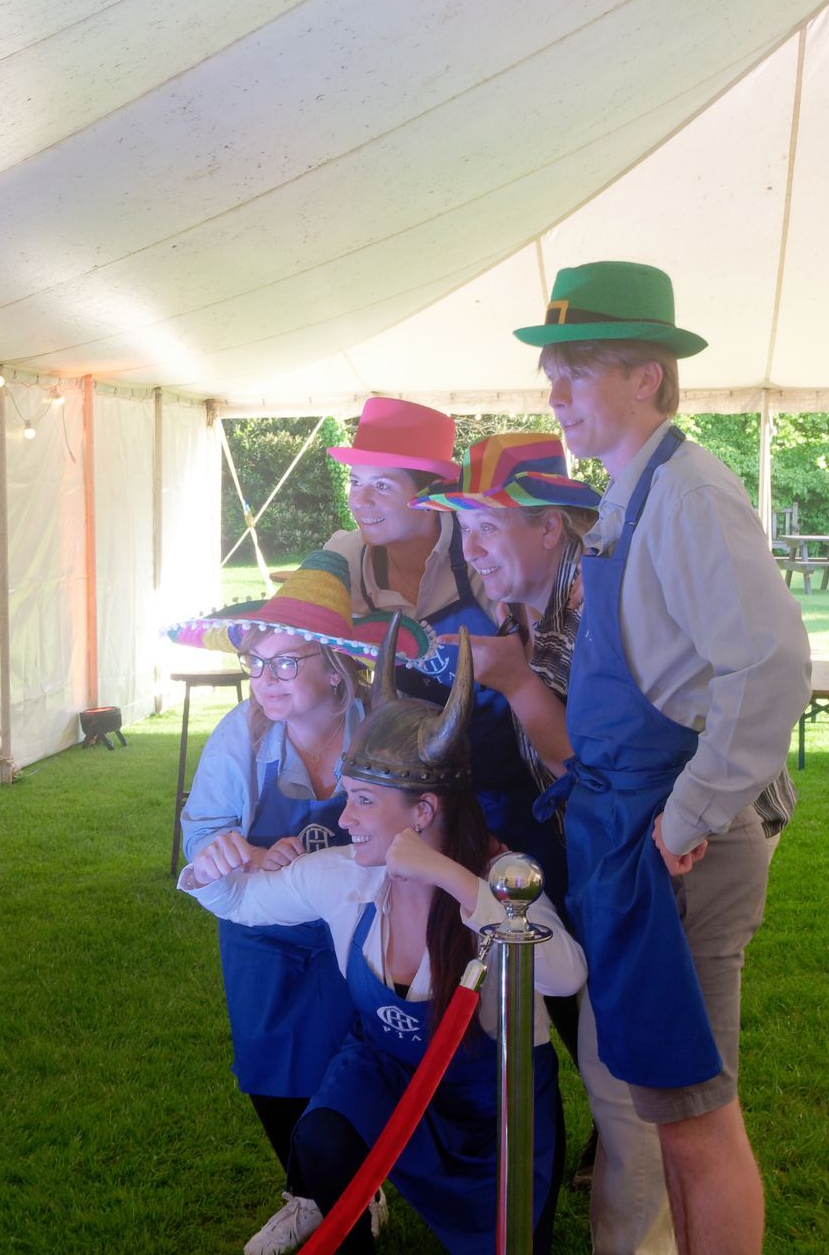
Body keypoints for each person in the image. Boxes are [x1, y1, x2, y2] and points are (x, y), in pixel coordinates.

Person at [514, 260, 812, 1255]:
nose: (555, 392)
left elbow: (766, 665)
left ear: (648, 374)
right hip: (632, 843)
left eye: (578, 370)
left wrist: (689, 817)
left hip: (679, 850)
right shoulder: (630, 492)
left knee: (697, 1116)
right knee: (668, 1112)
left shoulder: (688, 493)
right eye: (553, 372)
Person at [180, 625, 587, 1254]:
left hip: (492, 1109)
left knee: (513, 1238)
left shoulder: (501, 877)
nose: (342, 820)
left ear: (422, 811)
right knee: (320, 1142)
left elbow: (565, 975)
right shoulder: (345, 876)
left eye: (363, 801)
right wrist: (216, 864)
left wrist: (453, 879)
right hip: (389, 1081)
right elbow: (237, 902)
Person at [415, 433, 678, 1254]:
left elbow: (600, 769)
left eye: (489, 528)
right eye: (465, 532)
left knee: (634, 1069)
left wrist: (515, 682)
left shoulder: (599, 600)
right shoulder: (519, 606)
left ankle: (641, 1228)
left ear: (550, 530)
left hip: (674, 844)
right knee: (611, 1050)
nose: (473, 551)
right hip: (608, 848)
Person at [169, 553, 438, 1255]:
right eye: (258, 664)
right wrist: (241, 854)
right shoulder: (244, 733)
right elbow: (201, 831)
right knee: (267, 1065)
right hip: (262, 925)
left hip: (356, 920)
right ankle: (312, 1196)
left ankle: (353, 1188)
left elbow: (426, 822)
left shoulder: (383, 725)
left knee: (349, 1060)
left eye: (286, 664)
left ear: (335, 668)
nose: (266, 681)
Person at [323, 399, 566, 920]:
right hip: (413, 793)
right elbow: (298, 630)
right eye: (355, 482)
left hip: (509, 777)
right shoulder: (346, 556)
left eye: (381, 485)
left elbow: (540, 658)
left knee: (527, 918)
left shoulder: (483, 555)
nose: (360, 501)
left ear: (426, 498)